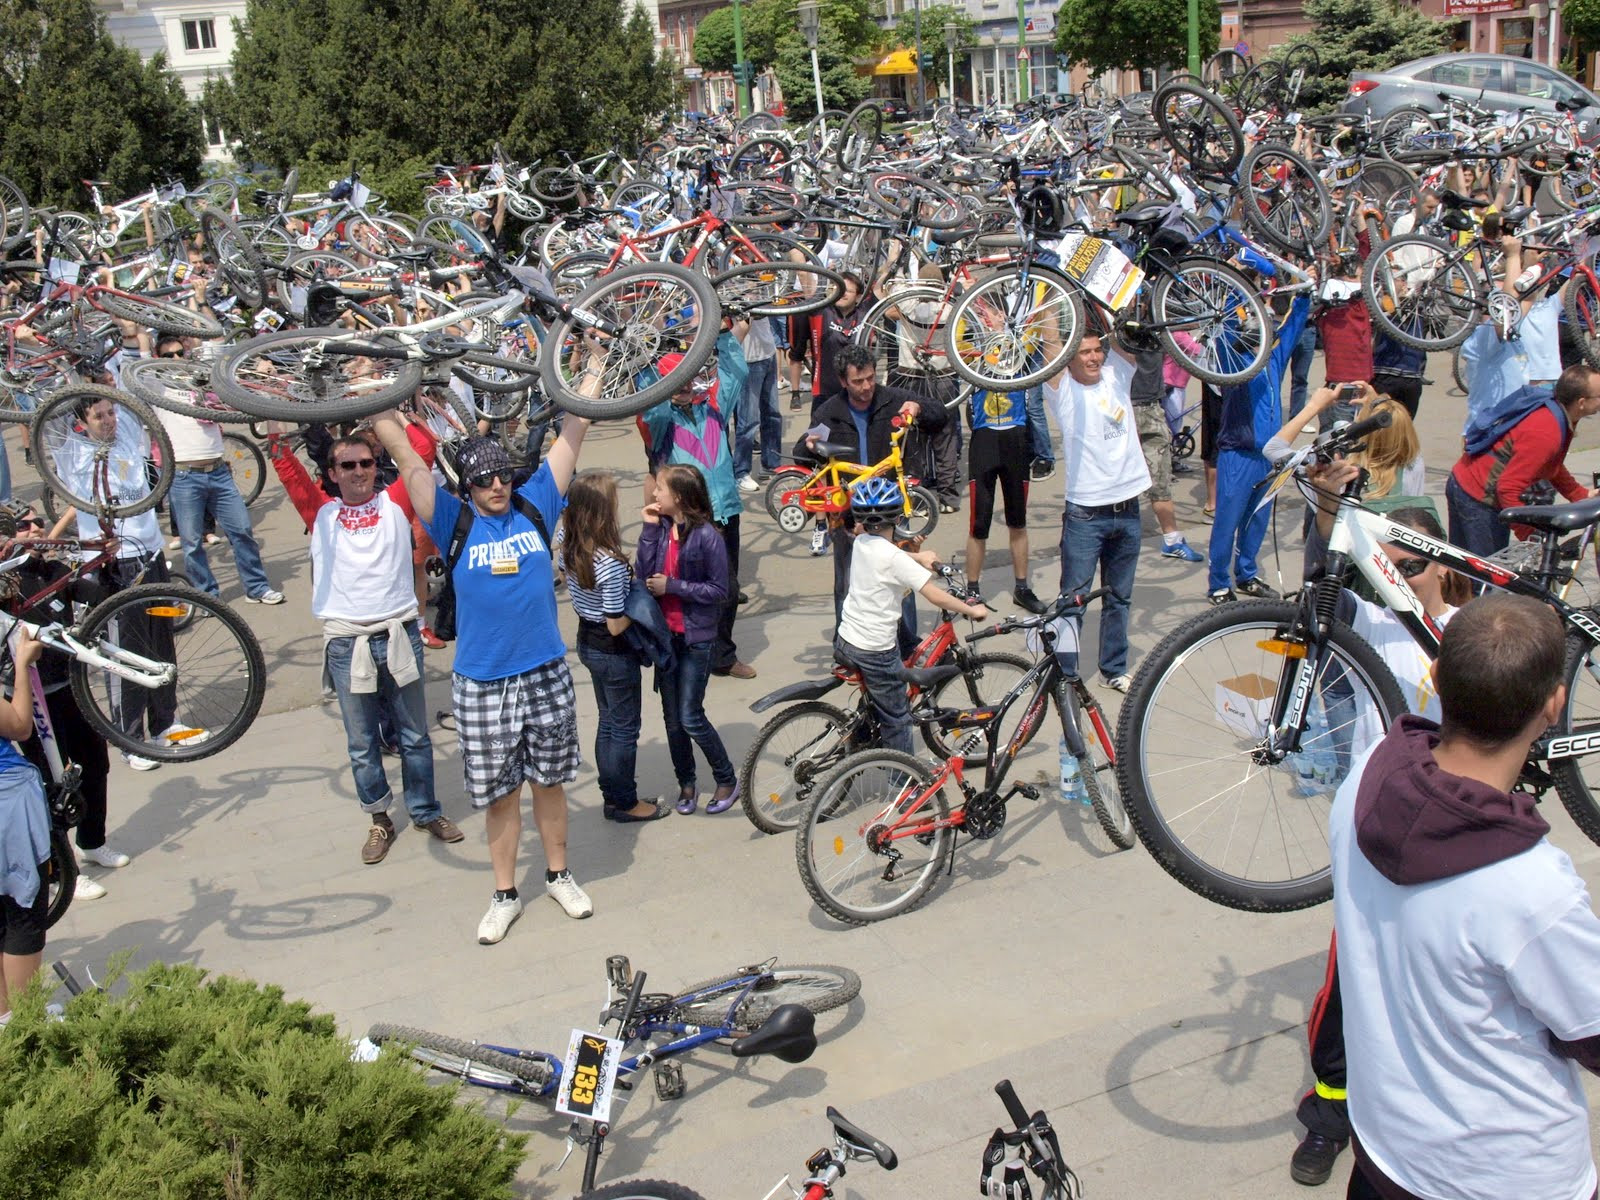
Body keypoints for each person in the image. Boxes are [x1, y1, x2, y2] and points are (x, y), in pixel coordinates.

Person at [1332, 593, 1600, 1200]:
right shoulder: (1533, 888)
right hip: (1506, 1177)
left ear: (1436, 677)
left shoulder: (1365, 780)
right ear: (1553, 706)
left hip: (1385, 1155)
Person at [1280, 469, 1472, 1186]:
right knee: (1348, 990)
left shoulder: (1470, 634)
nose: (1394, 572)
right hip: (1373, 831)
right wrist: (1330, 508)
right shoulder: (1369, 621)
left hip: (1449, 841)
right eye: (1384, 560)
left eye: (1409, 559)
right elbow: (1315, 594)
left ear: (1437, 559)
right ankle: (1330, 1117)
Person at [375, 351, 600, 945]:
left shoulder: (534, 502)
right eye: (483, 479)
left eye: (502, 474)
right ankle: (504, 895)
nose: (496, 485)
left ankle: (559, 875)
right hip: (481, 681)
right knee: (501, 795)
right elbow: (403, 454)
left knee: (550, 782)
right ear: (467, 486)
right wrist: (368, 393)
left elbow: (576, 425)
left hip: (546, 671)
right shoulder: (453, 518)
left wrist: (597, 360)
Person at [267, 410, 460, 865]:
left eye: (366, 463)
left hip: (399, 636)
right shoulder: (322, 512)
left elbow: (421, 452)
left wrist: (387, 406)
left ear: (376, 466)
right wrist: (274, 423)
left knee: (414, 735)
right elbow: (284, 464)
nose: (358, 472)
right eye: (348, 466)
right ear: (332, 474)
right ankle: (379, 818)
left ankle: (425, 810)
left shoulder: (396, 501)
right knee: (362, 743)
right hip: (347, 643)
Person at [48, 390, 193, 770]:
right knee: (126, 652)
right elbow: (51, 414)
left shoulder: (128, 435)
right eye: (99, 416)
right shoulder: (74, 454)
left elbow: (127, 389)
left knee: (162, 643)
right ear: (83, 421)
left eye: (111, 412)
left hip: (151, 554)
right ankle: (131, 737)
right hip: (115, 564)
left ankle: (165, 723)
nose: (109, 419)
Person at [798, 343, 947, 649]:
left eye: (870, 378)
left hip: (894, 511)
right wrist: (811, 443)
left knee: (903, 582)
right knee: (849, 584)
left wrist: (917, 409)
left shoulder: (893, 399)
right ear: (843, 382)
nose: (866, 387)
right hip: (850, 516)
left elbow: (941, 415)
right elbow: (804, 452)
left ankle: (906, 649)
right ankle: (848, 647)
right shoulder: (830, 411)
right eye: (857, 381)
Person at [3, 502, 114, 901]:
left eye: (39, 522)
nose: (36, 529)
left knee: (95, 763)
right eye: (25, 525)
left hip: (68, 687)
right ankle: (60, 868)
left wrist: (107, 560)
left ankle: (92, 841)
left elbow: (102, 595)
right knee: (51, 782)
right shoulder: (7, 582)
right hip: (29, 701)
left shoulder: (52, 571)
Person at [839, 478, 989, 753]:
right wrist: (972, 609)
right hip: (875, 649)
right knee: (898, 718)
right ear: (897, 517)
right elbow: (933, 594)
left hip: (849, 636)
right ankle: (904, 783)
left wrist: (919, 557)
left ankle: (866, 727)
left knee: (887, 685)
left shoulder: (862, 541)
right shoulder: (894, 559)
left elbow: (888, 551)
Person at [1041, 331, 1150, 692]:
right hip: (1086, 515)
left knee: (1119, 598)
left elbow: (1119, 330)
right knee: (1073, 602)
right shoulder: (1064, 392)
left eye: (1096, 350)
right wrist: (1047, 293)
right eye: (1084, 352)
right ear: (1070, 359)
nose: (1093, 357)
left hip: (1128, 508)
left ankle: (1113, 669)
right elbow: (1050, 342)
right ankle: (1066, 675)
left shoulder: (1116, 375)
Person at [636, 358, 756, 680]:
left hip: (726, 513)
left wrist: (723, 331)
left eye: (688, 377)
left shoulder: (713, 408)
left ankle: (721, 657)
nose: (684, 385)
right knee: (684, 591)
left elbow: (736, 373)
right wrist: (641, 357)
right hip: (686, 520)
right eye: (675, 380)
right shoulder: (661, 421)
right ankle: (687, 656)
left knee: (727, 589)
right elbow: (651, 405)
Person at [559, 471, 664, 823]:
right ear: (603, 512)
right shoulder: (611, 563)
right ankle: (626, 802)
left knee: (607, 723)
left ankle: (612, 795)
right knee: (624, 728)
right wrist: (645, 603)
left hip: (587, 643)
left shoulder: (567, 543)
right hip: (614, 652)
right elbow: (617, 623)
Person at [150, 340, 284, 606]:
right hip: (184, 476)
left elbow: (215, 347)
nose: (176, 358)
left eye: (180, 352)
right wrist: (137, 334)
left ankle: (256, 587)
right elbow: (135, 363)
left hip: (219, 471)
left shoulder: (202, 383)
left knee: (242, 530)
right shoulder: (158, 390)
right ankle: (207, 596)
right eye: (169, 355)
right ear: (158, 358)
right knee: (191, 542)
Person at [637, 465, 738, 816]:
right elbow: (643, 572)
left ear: (678, 496)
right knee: (672, 720)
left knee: (690, 715)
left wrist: (673, 587)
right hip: (666, 638)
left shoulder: (708, 536)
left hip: (697, 638)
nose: (654, 494)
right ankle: (687, 784)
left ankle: (726, 778)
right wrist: (649, 529)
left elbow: (719, 590)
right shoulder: (661, 528)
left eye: (660, 489)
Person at [1207, 294, 1313, 605]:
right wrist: (1233, 291)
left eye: (1263, 323)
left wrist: (1304, 295)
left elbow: (1293, 328)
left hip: (1267, 458)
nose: (1258, 328)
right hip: (1237, 455)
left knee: (1257, 521)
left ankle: (1246, 575)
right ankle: (1218, 584)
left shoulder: (1272, 360)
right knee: (1227, 522)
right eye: (1253, 323)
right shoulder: (1232, 361)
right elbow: (1223, 327)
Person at [1447, 362, 1600, 557]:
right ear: (1581, 402)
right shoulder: (1547, 431)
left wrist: (1580, 494)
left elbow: (1550, 464)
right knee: (1487, 577)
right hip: (1478, 497)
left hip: (1465, 482)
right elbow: (1507, 488)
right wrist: (1529, 537)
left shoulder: (1555, 409)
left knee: (1464, 574)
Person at [0, 622, 52, 1028]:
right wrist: (22, 664)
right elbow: (19, 724)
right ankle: (24, 1023)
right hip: (7, 805)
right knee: (21, 914)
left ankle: (4, 1019)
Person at [962, 384, 1046, 611]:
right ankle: (972, 589)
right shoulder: (975, 357)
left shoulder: (1021, 355)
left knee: (1018, 522)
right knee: (978, 524)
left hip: (1017, 438)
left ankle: (1021, 588)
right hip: (984, 439)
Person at [1128, 341, 1205, 565]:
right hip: (1121, 406)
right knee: (1118, 480)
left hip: (1152, 406)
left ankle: (1172, 540)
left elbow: (1183, 321)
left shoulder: (1156, 319)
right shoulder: (1114, 322)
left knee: (1160, 478)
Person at [788, 272, 868, 416]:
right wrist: (797, 251)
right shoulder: (821, 310)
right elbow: (803, 274)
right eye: (839, 289)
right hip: (825, 392)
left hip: (860, 393)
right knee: (820, 438)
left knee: (857, 437)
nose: (842, 294)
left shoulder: (866, 313)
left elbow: (883, 282)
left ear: (858, 296)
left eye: (848, 291)